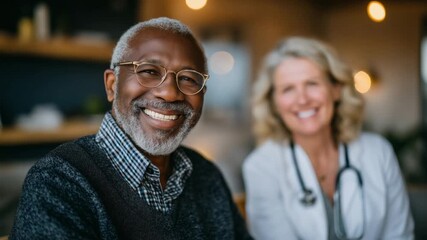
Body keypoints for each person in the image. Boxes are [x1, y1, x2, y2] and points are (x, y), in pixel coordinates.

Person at [10, 17, 252, 240]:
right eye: (149, 71)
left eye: (189, 78)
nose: (169, 93)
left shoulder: (205, 174)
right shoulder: (59, 182)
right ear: (112, 85)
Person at [242, 36, 414, 240]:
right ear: (274, 103)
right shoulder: (261, 167)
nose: (303, 99)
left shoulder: (379, 152)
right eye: (288, 89)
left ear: (336, 89)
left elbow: (399, 235)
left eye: (312, 84)